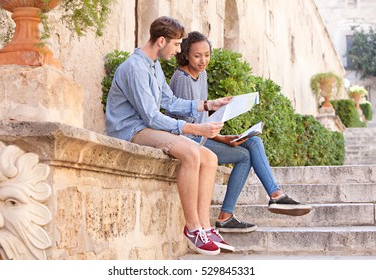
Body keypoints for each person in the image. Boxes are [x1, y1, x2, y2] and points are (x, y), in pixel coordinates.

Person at [105, 17, 235, 255]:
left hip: (147, 127)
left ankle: (206, 226)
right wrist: (196, 129)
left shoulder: (153, 66)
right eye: (176, 45)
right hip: (131, 130)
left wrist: (209, 104)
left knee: (210, 158)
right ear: (161, 41)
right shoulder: (135, 68)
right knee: (191, 153)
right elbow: (152, 117)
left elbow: (170, 101)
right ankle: (193, 228)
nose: (178, 50)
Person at [166, 31, 312, 233]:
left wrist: (222, 130)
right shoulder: (182, 78)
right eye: (197, 55)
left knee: (253, 142)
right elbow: (188, 124)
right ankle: (231, 213)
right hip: (187, 140)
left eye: (207, 55)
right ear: (186, 55)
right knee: (244, 157)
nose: (203, 60)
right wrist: (221, 138)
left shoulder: (202, 76)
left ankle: (274, 196)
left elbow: (201, 116)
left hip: (201, 136)